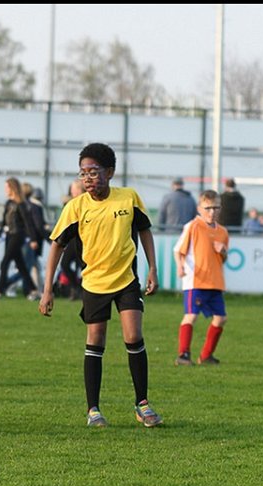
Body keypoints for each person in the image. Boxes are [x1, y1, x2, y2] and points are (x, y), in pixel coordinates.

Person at [38, 143, 163, 428]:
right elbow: (57, 246)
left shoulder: (128, 198)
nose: (87, 179)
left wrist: (153, 269)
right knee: (95, 341)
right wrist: (47, 289)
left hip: (126, 280)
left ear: (110, 172)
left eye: (93, 172)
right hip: (94, 283)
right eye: (83, 173)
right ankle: (93, 409)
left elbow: (144, 230)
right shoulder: (76, 207)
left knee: (134, 335)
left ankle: (142, 403)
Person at [173, 190, 229, 367]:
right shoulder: (193, 226)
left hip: (215, 281)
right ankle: (183, 354)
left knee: (221, 318)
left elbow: (223, 259)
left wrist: (223, 251)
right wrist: (180, 266)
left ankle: (206, 356)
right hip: (195, 280)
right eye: (208, 208)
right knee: (191, 315)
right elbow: (178, 250)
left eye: (216, 208)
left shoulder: (223, 232)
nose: (212, 212)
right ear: (199, 208)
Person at [0, 177, 40, 300]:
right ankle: (33, 289)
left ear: (13, 188)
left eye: (7, 187)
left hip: (18, 235)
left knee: (5, 262)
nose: (5, 190)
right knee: (21, 265)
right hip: (9, 235)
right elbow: (4, 221)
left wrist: (33, 239)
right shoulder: (8, 203)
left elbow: (28, 223)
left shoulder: (21, 204)